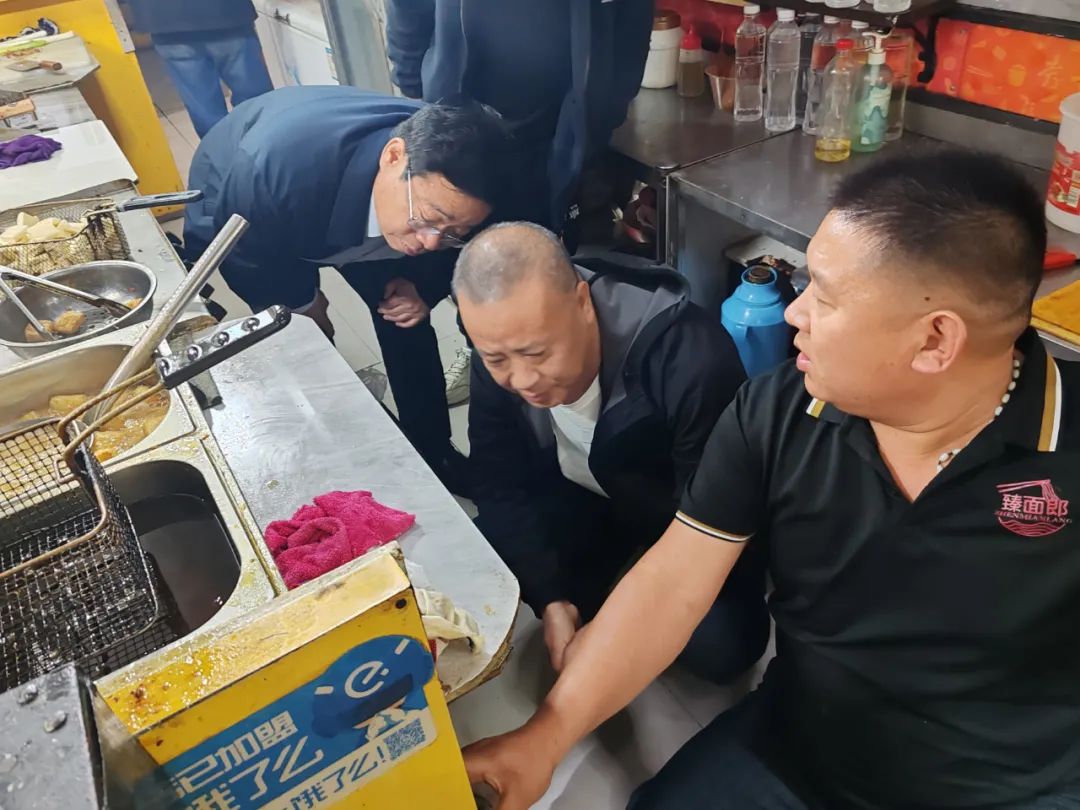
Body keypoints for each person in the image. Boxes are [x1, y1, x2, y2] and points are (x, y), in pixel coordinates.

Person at [464, 150, 1080, 810]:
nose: (794, 313)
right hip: (800, 751)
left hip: (1008, 786)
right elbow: (673, 581)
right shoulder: (779, 411)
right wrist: (546, 737)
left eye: (825, 296)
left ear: (934, 341)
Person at [455, 222, 769, 682]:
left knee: (722, 648)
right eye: (496, 359)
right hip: (584, 498)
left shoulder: (690, 358)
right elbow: (498, 481)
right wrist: (551, 599)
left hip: (678, 517)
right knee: (478, 551)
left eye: (537, 353)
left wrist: (622, 624)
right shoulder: (498, 347)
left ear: (583, 303)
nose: (521, 380)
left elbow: (713, 520)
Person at [184, 86, 512, 496]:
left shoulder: (459, 183)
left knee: (404, 318)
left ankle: (432, 450)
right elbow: (250, 260)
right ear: (393, 156)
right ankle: (347, 449)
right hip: (258, 208)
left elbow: (457, 241)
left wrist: (424, 289)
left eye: (453, 231)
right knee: (306, 340)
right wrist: (301, 303)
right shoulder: (271, 175)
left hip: (349, 205)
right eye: (429, 218)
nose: (431, 242)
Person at [386, 0, 654, 404]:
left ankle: (560, 381)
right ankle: (485, 360)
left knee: (551, 266)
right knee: (468, 259)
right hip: (462, 118)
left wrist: (607, 105)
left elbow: (633, 17)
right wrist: (413, 78)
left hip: (557, 126)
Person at [129, 0, 273, 139]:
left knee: (205, 111)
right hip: (225, 12)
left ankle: (223, 152)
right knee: (255, 101)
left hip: (162, 17)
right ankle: (267, 148)